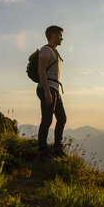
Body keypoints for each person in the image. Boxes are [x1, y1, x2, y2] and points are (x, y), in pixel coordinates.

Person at [35, 25, 67, 162]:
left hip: (55, 89)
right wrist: (47, 91)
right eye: (60, 35)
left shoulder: (54, 52)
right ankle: (42, 153)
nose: (62, 38)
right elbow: (41, 70)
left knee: (62, 118)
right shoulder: (46, 50)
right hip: (47, 88)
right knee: (47, 120)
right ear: (53, 35)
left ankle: (57, 149)